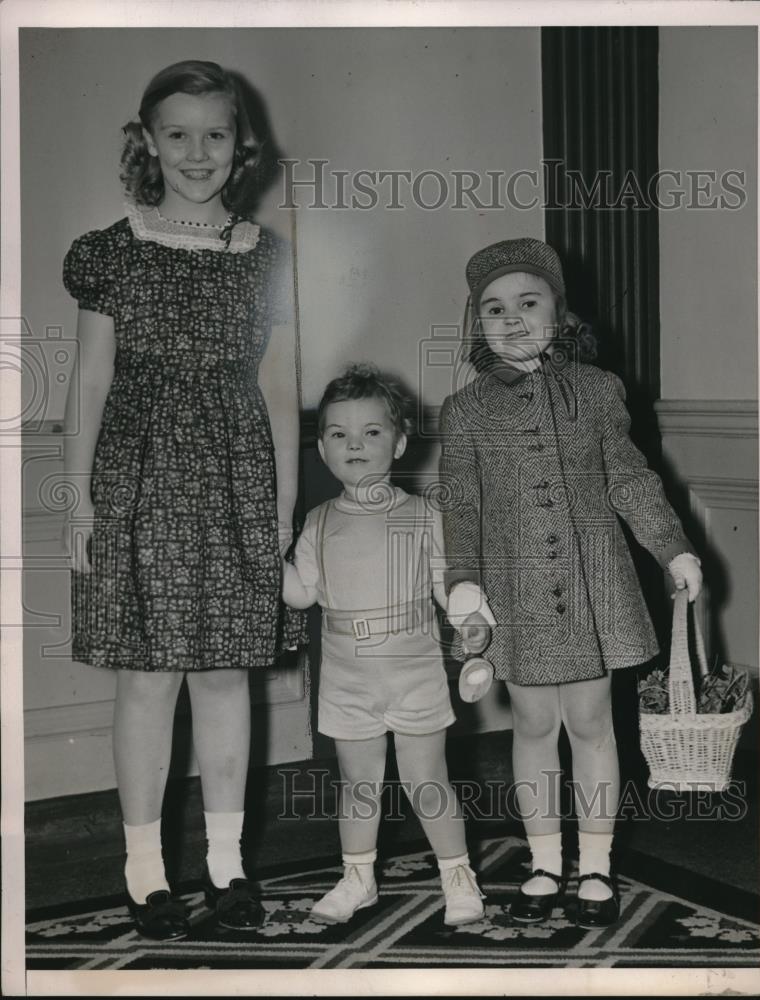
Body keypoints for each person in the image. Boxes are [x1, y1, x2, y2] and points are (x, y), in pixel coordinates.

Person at [61, 60, 304, 940]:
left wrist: (281, 512)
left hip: (237, 476)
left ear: (241, 147)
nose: (196, 151)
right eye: (177, 133)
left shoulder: (267, 258)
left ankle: (229, 864)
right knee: (148, 678)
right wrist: (81, 505)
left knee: (226, 674)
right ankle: (144, 869)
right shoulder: (111, 252)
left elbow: (280, 391)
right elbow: (87, 386)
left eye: (215, 133)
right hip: (138, 478)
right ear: (147, 142)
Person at [439, 238, 702, 929]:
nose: (513, 318)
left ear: (561, 311)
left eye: (529, 302)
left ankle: (596, 864)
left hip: (593, 584)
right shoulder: (464, 412)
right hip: (517, 591)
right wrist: (463, 583)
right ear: (478, 323)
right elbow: (460, 507)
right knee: (530, 723)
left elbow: (631, 478)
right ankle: (545, 860)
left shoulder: (598, 390)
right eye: (495, 308)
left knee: (590, 722)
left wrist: (672, 547)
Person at [282, 364, 485, 927]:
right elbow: (301, 594)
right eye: (340, 434)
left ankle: (457, 874)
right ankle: (358, 876)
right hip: (346, 674)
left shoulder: (422, 515)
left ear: (398, 442)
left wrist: (471, 622)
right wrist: (259, 555)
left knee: (428, 779)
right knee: (358, 783)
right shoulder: (319, 522)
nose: (355, 444)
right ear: (322, 448)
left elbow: (451, 589)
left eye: (372, 432)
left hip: (411, 666)